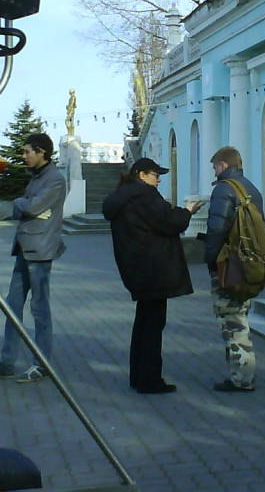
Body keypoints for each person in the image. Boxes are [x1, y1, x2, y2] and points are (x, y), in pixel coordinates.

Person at [102, 158, 202, 394]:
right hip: (155, 269)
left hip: (136, 267)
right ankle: (149, 380)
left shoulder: (122, 197)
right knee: (153, 325)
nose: (158, 180)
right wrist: (187, 211)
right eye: (155, 175)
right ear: (141, 174)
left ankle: (138, 376)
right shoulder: (144, 196)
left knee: (143, 322)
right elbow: (169, 222)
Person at [0, 133, 67, 382]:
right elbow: (30, 208)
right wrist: (28, 206)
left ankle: (41, 364)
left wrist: (27, 206)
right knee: (13, 307)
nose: (23, 156)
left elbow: (32, 207)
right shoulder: (38, 178)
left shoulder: (54, 180)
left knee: (39, 309)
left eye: (27, 151)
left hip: (40, 250)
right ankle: (6, 363)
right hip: (25, 247)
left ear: (42, 152)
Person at [202, 146, 264, 393]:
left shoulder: (224, 189)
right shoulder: (251, 189)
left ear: (223, 165)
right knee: (240, 315)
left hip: (229, 265)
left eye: (215, 167)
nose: (215, 172)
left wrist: (210, 260)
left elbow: (217, 230)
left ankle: (241, 377)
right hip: (249, 263)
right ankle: (242, 373)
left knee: (232, 321)